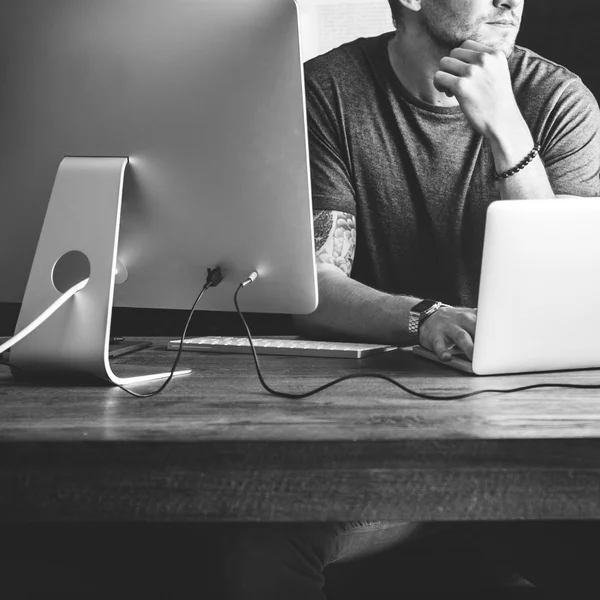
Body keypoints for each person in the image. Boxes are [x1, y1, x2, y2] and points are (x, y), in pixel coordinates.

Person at [223, 0, 600, 598]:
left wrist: (507, 128)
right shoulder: (327, 92)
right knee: (263, 547)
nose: (511, 1)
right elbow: (313, 288)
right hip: (385, 446)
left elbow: (565, 298)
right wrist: (424, 318)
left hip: (536, 447)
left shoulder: (558, 98)